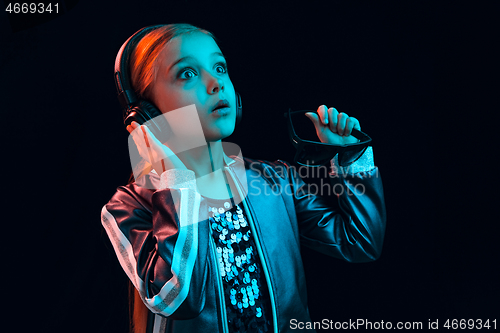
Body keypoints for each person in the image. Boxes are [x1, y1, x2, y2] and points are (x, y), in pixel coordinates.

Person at [101, 23, 386, 333]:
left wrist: (349, 157)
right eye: (187, 74)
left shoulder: (276, 181)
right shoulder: (127, 206)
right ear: (147, 113)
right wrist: (175, 176)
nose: (216, 84)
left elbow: (360, 242)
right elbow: (178, 299)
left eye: (220, 68)